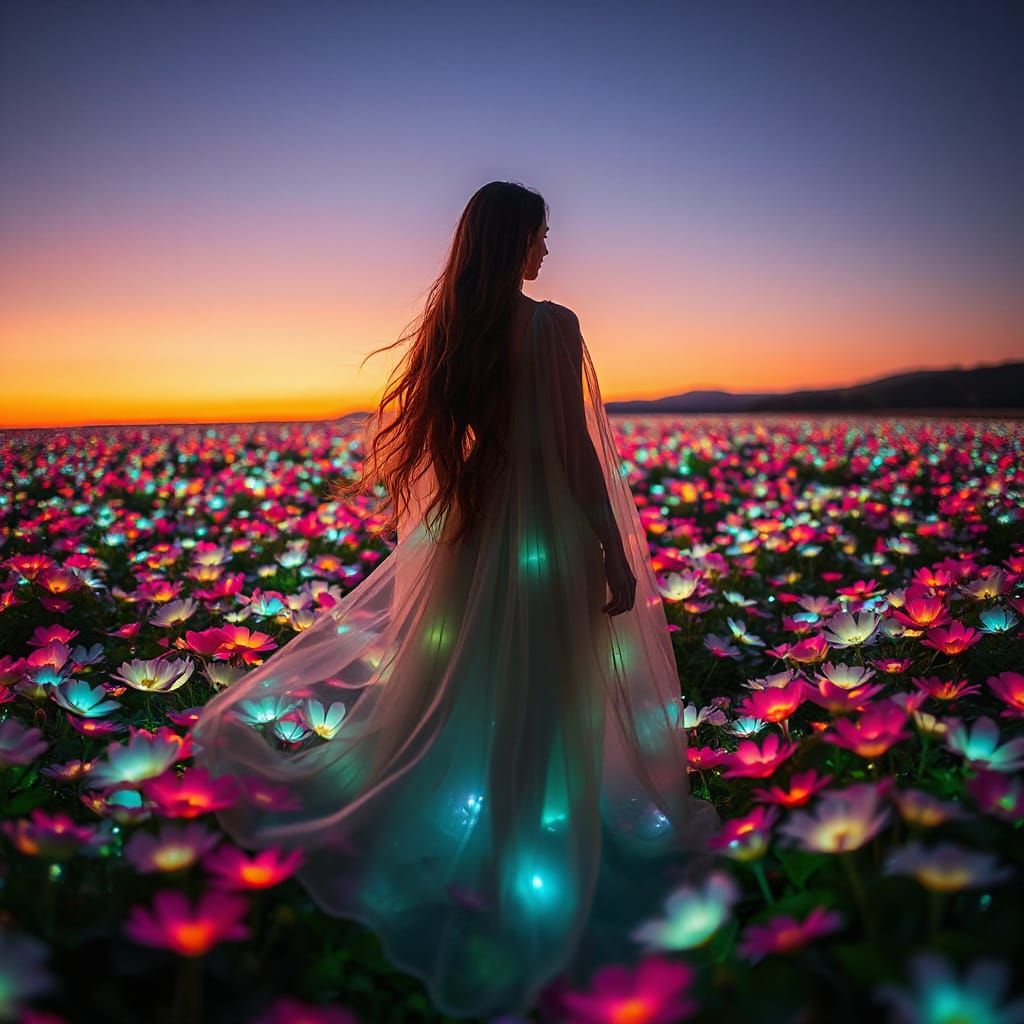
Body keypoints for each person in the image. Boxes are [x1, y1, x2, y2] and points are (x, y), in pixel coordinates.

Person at [191, 181, 720, 1019]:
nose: (548, 250)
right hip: (541, 535)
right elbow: (576, 449)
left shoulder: (456, 331)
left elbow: (460, 440)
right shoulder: (552, 325)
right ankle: (530, 841)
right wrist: (612, 546)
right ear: (514, 240)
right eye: (542, 236)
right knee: (548, 682)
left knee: (468, 676)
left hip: (471, 536)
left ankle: (471, 822)